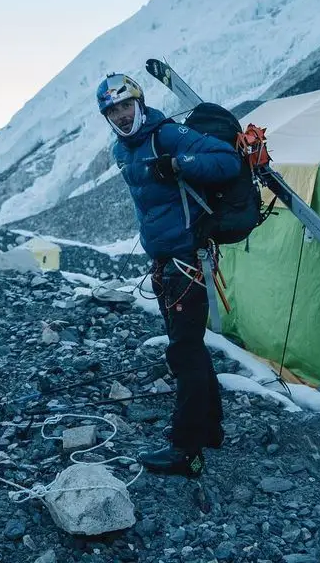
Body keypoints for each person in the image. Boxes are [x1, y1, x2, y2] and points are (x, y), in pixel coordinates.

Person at [97, 72, 241, 477]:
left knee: (183, 351)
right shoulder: (121, 150)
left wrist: (179, 163)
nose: (122, 115)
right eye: (112, 110)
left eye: (126, 105)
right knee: (189, 346)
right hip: (165, 262)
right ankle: (210, 430)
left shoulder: (169, 135)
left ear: (139, 102)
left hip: (187, 261)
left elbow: (227, 161)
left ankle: (186, 450)